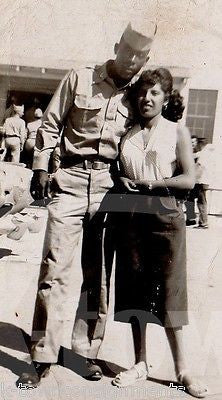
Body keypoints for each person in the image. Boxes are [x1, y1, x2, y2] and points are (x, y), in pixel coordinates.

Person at [17, 21, 157, 388]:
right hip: (72, 182)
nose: (131, 62)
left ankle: (86, 352)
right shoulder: (80, 79)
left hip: (111, 186)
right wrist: (41, 167)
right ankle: (43, 356)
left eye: (140, 56)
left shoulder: (139, 93)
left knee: (98, 276)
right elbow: (49, 126)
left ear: (147, 59)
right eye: (127, 52)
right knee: (54, 269)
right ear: (116, 47)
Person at [111, 69, 208, 398]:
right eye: (142, 93)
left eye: (154, 93)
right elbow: (119, 168)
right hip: (131, 215)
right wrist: (120, 179)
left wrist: (155, 184)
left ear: (165, 98)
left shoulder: (176, 132)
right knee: (135, 289)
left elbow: (189, 180)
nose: (146, 99)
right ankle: (140, 362)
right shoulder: (128, 133)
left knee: (169, 292)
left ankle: (182, 369)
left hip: (165, 214)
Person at [185, 136, 209, 228]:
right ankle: (191, 219)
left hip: (199, 181)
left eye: (195, 142)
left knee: (201, 202)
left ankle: (203, 222)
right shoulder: (199, 153)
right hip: (197, 181)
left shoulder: (203, 154)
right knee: (190, 199)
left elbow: (199, 167)